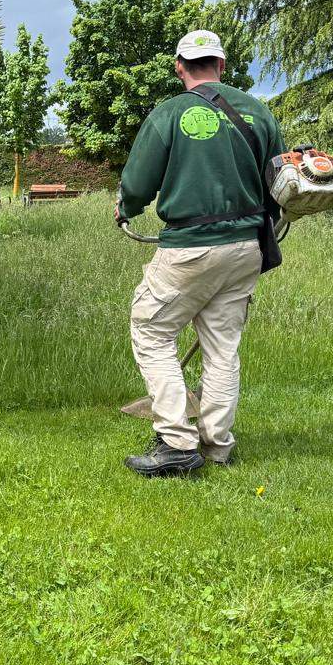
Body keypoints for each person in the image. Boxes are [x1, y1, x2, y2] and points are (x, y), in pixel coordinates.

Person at [115, 29, 284, 477]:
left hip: (191, 246)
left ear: (179, 66)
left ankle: (174, 441)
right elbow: (279, 181)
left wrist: (125, 208)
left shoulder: (170, 112)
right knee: (222, 347)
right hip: (248, 247)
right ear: (222, 66)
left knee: (151, 329)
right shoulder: (259, 112)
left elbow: (137, 184)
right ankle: (217, 447)